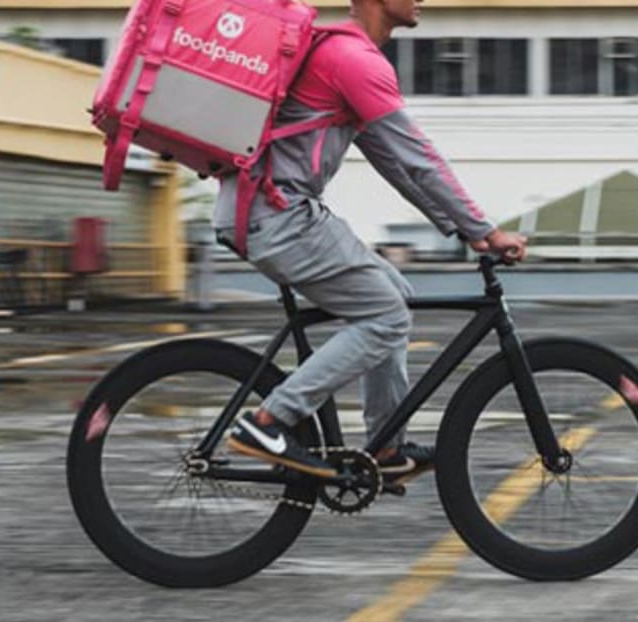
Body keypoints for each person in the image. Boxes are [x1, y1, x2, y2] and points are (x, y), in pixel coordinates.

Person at [216, 0, 527, 482]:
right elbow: (420, 157)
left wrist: (466, 231)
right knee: (385, 317)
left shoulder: (346, 57)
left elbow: (397, 166)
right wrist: (485, 229)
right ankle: (270, 421)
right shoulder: (355, 61)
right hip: (278, 215)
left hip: (272, 211)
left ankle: (384, 446)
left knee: (393, 294)